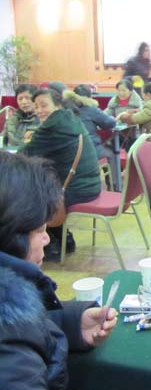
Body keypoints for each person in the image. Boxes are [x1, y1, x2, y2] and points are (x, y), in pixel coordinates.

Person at [0, 152, 117, 389]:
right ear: (12, 236)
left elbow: (27, 324)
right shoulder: (12, 352)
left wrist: (72, 323)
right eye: (40, 230)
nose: (46, 239)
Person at [20, 89, 101, 259]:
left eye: (44, 105)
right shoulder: (70, 119)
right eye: (36, 106)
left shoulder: (52, 127)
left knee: (25, 196)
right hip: (90, 185)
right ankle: (65, 240)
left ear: (57, 105)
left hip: (76, 189)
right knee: (42, 185)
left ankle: (50, 246)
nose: (39, 110)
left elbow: (24, 155)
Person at [64, 85, 118, 184]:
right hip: (88, 149)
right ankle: (114, 185)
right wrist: (113, 118)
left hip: (69, 150)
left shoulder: (64, 108)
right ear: (89, 97)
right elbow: (109, 122)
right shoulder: (90, 108)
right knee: (111, 154)